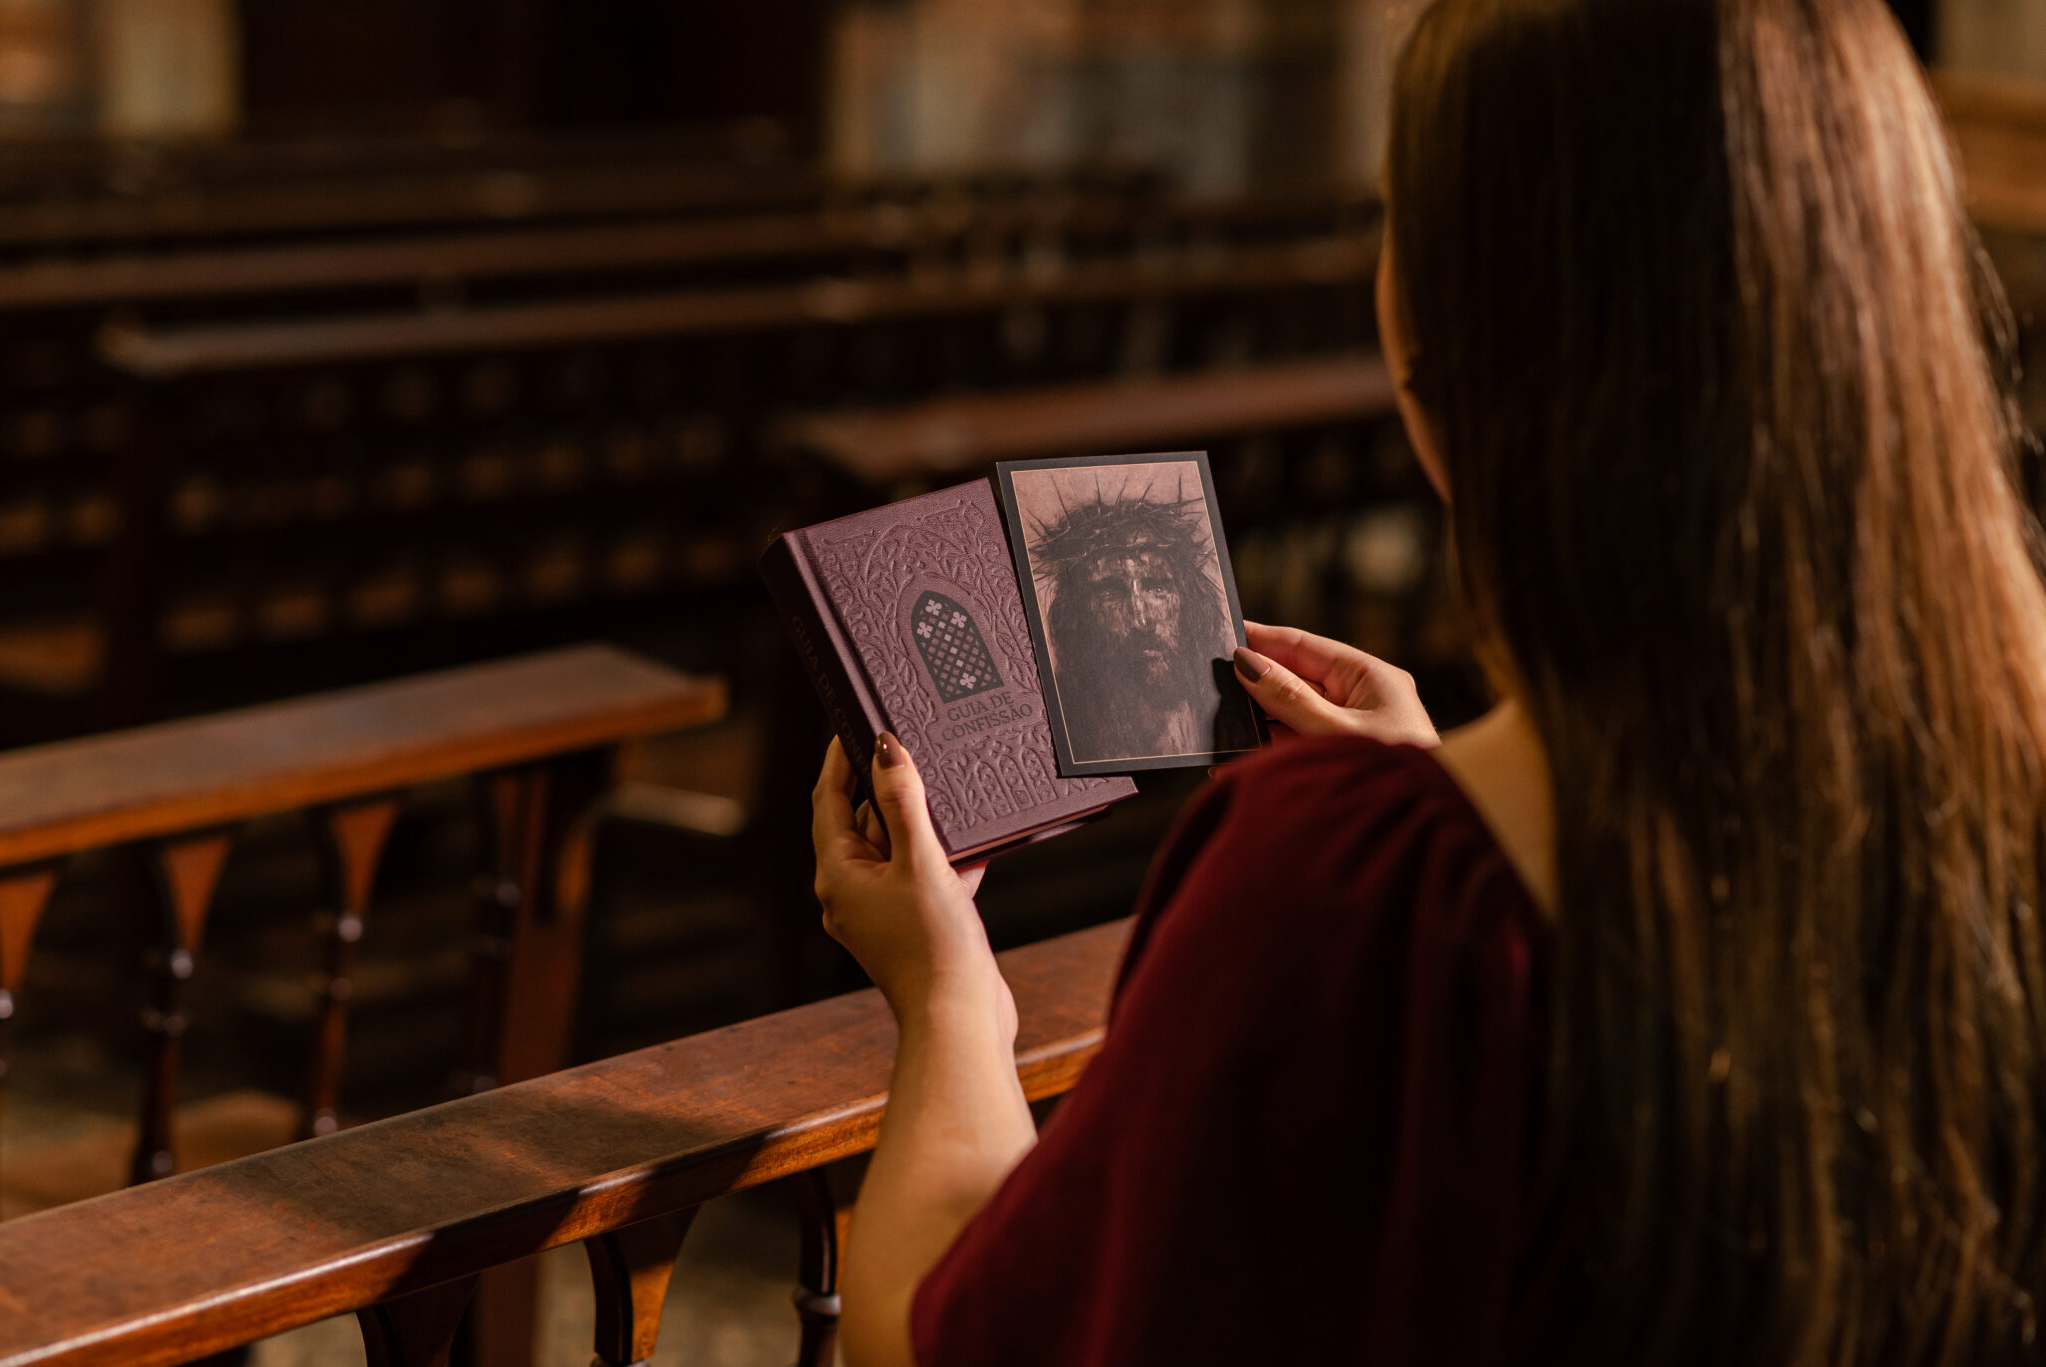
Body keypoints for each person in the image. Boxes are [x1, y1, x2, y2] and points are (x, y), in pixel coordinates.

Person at [808, 0, 2046, 1362]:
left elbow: (951, 1336)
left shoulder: (1358, 892)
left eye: (1404, 211)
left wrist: (950, 995)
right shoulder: (2006, 790)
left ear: (1457, 328)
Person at [1031, 487, 1261, 761]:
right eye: (1110, 593)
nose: (1141, 620)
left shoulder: (1230, 710)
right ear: (1078, 614)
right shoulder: (1058, 722)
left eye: (1158, 588)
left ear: (1186, 600)